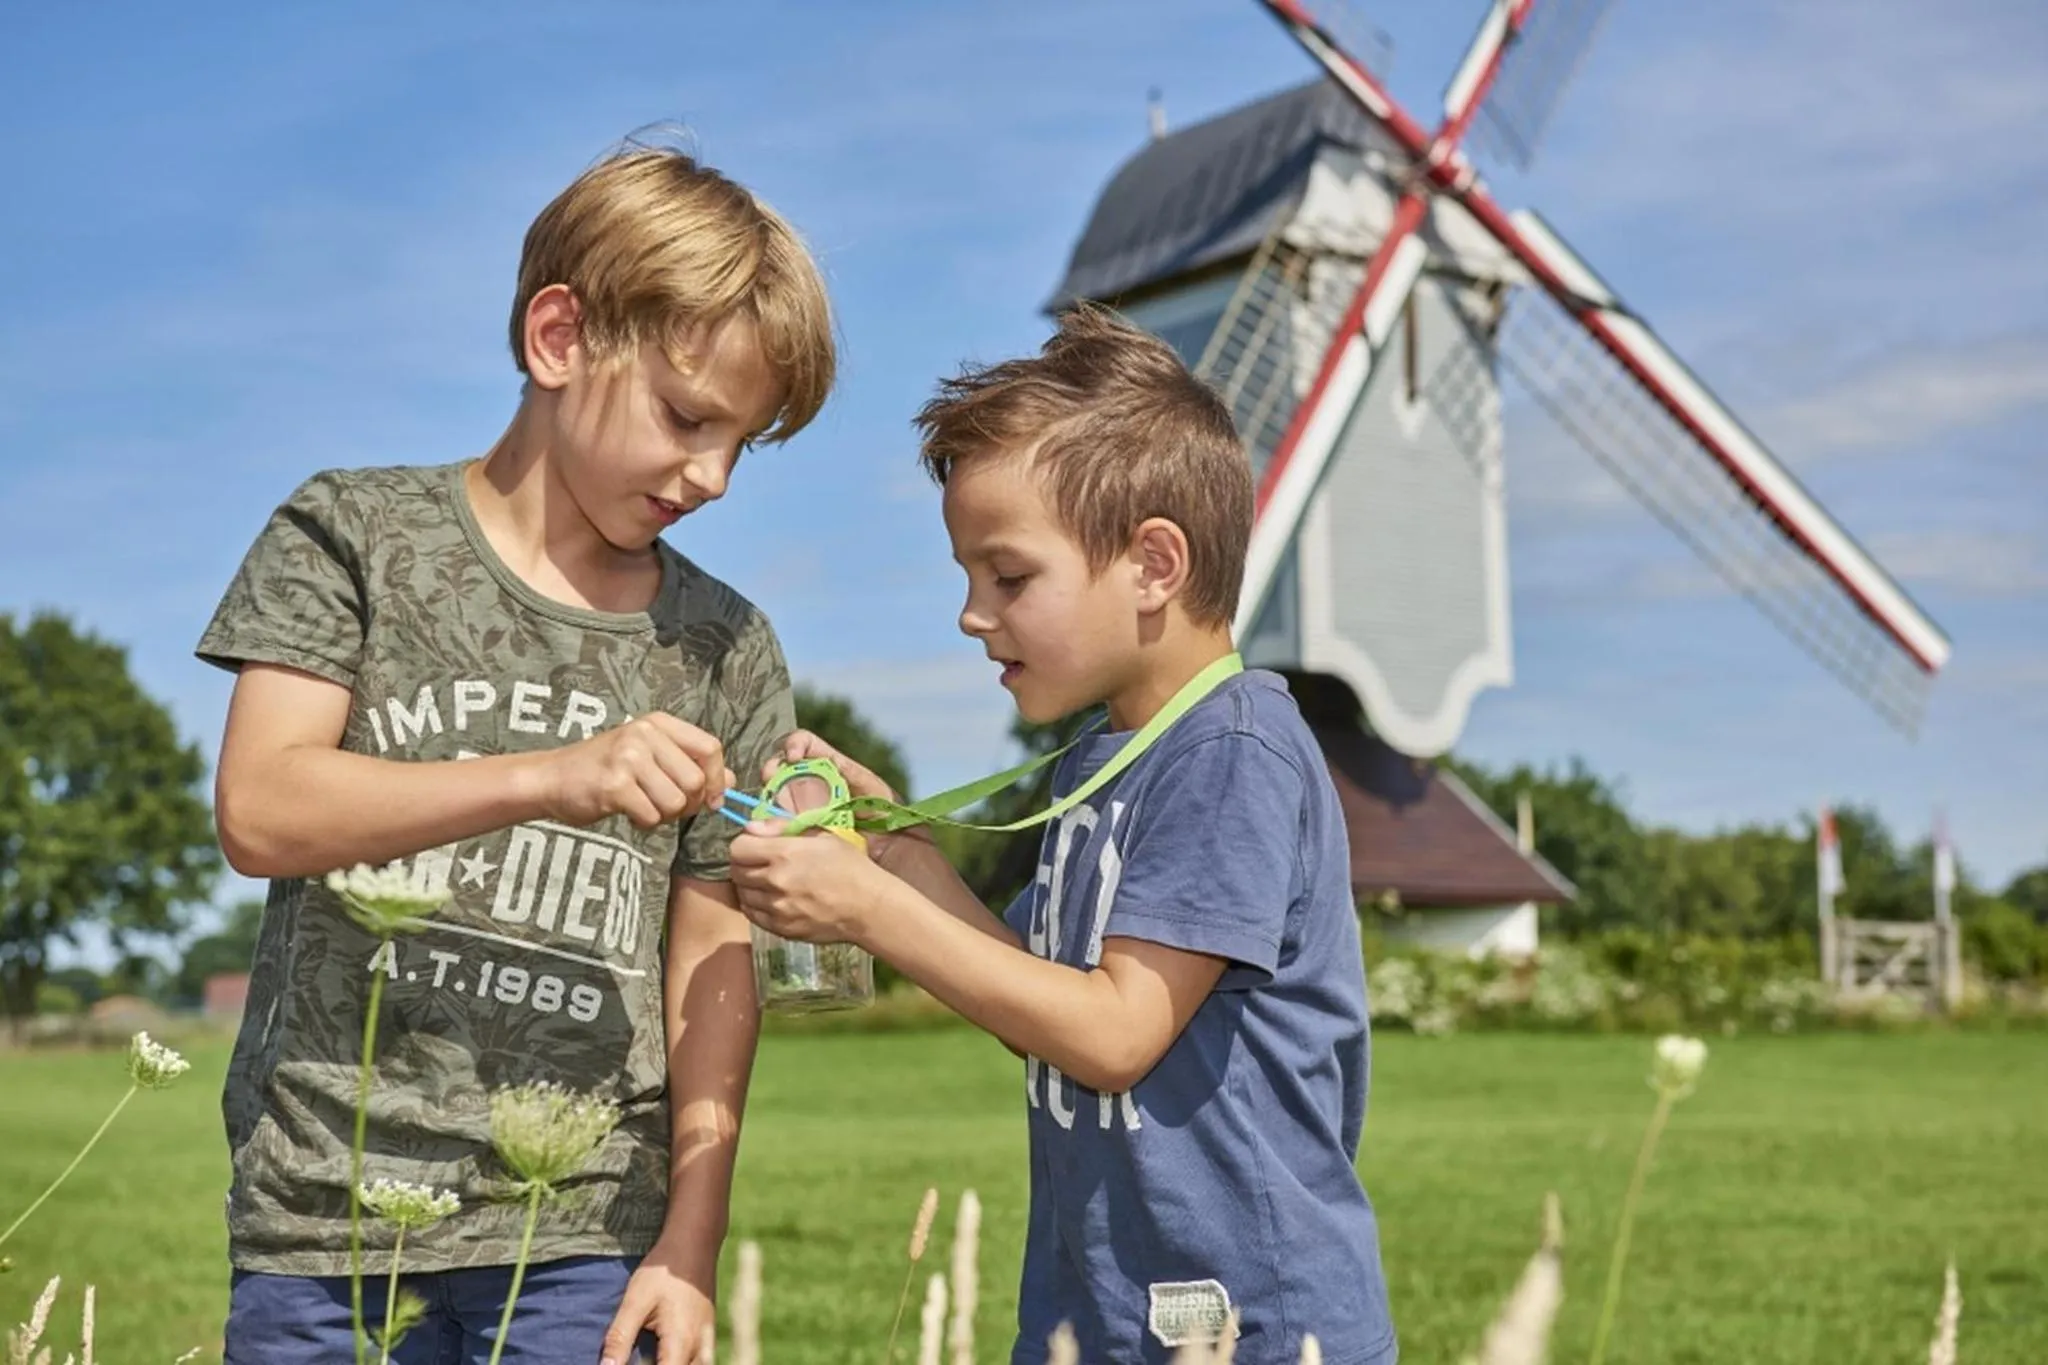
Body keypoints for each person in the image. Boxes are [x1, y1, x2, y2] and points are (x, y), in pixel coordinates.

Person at [195, 142, 833, 1365]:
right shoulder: (352, 535)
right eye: (688, 418)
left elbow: (713, 956)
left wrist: (688, 1248)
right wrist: (558, 774)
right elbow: (263, 808)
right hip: (323, 1230)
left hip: (588, 1238)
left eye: (740, 443)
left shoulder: (724, 644)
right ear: (558, 338)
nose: (710, 476)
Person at [728, 306, 1396, 1364]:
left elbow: (1113, 1035)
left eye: (1008, 577)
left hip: (1244, 1319)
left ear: (1153, 565)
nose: (970, 614)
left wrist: (870, 910)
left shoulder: (1232, 750)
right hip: (1100, 1307)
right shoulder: (1103, 758)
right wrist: (895, 853)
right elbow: (1033, 999)